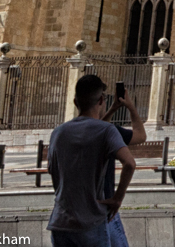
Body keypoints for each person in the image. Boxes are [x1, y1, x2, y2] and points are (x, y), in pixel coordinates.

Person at [47, 74, 137, 247]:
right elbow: (129, 163)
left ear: (75, 102)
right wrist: (117, 198)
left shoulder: (58, 133)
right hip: (91, 221)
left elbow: (52, 169)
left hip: (61, 221)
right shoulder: (106, 130)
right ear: (101, 100)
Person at [101, 86, 145, 247]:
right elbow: (140, 136)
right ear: (101, 101)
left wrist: (112, 109)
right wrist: (131, 107)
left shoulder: (63, 132)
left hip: (71, 212)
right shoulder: (109, 132)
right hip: (103, 207)